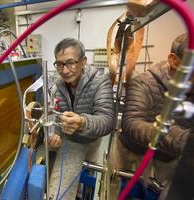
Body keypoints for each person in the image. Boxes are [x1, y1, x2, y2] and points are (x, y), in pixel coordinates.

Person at [110, 33, 194, 199]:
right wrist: (181, 139)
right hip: (132, 158)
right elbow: (132, 124)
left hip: (168, 162)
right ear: (174, 60)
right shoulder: (144, 83)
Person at [48, 38, 115, 199]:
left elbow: (107, 121)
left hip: (90, 141)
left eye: (70, 63)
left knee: (87, 180)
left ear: (83, 62)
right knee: (64, 188)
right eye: (59, 64)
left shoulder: (100, 82)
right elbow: (56, 113)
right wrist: (55, 133)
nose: (64, 70)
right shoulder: (58, 86)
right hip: (69, 142)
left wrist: (83, 122)